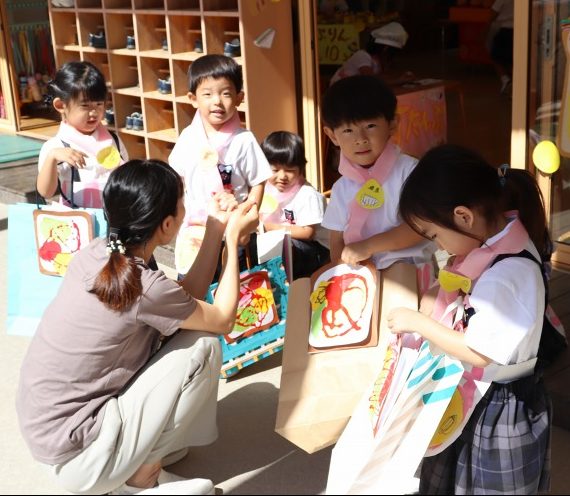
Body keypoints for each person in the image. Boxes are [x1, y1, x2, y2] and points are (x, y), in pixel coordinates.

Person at [16, 159, 259, 495]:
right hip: (82, 458)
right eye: (182, 202)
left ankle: (137, 457)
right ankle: (139, 479)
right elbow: (222, 319)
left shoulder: (99, 254)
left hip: (52, 436)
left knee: (184, 331)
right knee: (202, 346)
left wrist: (215, 228)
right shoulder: (142, 285)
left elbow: (182, 301)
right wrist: (232, 241)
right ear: (167, 224)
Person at [387, 144, 552, 494]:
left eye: (435, 235)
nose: (437, 245)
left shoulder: (507, 273)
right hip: (477, 392)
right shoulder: (492, 244)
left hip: (498, 406)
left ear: (463, 216)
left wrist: (418, 323)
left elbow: (479, 351)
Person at [320, 75, 436, 286]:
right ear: (332, 135)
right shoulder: (341, 187)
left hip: (408, 267)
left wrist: (368, 246)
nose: (360, 139)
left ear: (392, 124)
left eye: (370, 126)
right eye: (348, 130)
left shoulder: (410, 171)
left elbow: (421, 226)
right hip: (361, 274)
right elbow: (336, 239)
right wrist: (342, 271)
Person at [169, 54, 272, 278]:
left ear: (239, 98)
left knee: (236, 285)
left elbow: (258, 182)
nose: (217, 101)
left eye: (226, 93)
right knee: (193, 287)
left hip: (234, 231)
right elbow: (176, 179)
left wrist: (248, 218)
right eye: (207, 94)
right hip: (195, 231)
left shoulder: (244, 140)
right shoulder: (188, 137)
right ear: (193, 98)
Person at [36, 61, 128, 208]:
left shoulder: (113, 139)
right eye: (85, 106)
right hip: (77, 219)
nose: (94, 113)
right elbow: (46, 192)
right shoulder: (55, 147)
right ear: (61, 105)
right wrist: (52, 158)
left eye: (99, 104)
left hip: (114, 217)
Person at [259, 131, 330, 279]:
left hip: (316, 249)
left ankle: (283, 279)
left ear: (301, 169)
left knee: (286, 247)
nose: (282, 176)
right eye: (275, 170)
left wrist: (271, 228)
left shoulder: (307, 194)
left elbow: (307, 233)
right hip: (286, 241)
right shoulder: (267, 188)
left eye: (290, 170)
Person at [329, 22, 411, 86]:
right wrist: (399, 80)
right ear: (385, 48)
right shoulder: (362, 55)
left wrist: (401, 77)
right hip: (342, 90)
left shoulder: (377, 59)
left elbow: (379, 77)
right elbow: (371, 81)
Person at [485, 0, 514, 94]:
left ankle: (506, 80)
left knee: (495, 56)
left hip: (504, 30)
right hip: (517, 30)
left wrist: (484, 31)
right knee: (511, 59)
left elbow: (492, 15)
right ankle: (510, 81)